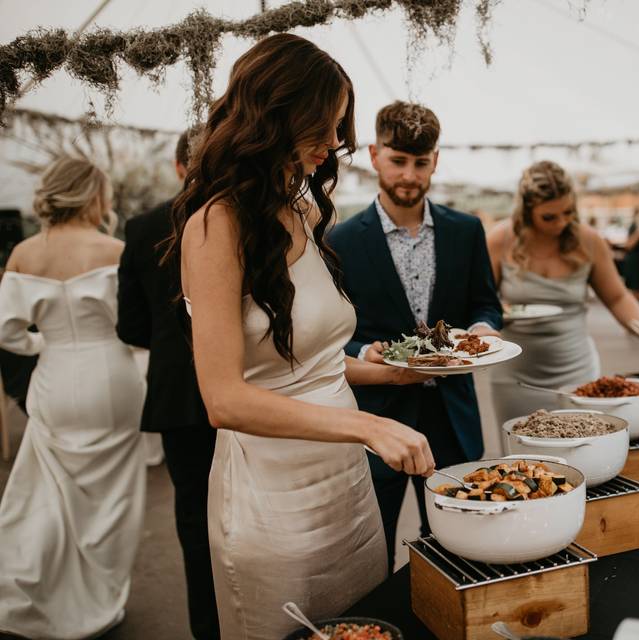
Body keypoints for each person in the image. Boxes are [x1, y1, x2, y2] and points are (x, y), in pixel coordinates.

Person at [168, 35, 435, 639]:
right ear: (274, 114)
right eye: (324, 122)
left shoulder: (304, 208)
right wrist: (369, 426)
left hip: (347, 486)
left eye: (340, 123)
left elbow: (314, 366)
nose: (336, 140)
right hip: (273, 502)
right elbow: (224, 399)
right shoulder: (215, 225)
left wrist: (387, 371)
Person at [327, 101, 502, 572]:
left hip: (453, 418)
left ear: (436, 161)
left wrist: (483, 332)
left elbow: (486, 303)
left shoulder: (466, 231)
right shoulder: (339, 241)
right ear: (374, 155)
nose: (409, 174)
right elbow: (330, 334)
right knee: (372, 551)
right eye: (398, 160)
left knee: (458, 551)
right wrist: (363, 350)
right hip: (377, 421)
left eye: (420, 163)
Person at [0, 156, 147, 638]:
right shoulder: (114, 249)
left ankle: (44, 595)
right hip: (113, 376)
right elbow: (135, 327)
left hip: (57, 377)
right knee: (112, 498)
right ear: (93, 196)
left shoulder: (24, 253)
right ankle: (98, 600)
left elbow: (8, 332)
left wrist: (46, 343)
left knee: (50, 492)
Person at [116, 128, 220, 639]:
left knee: (195, 522)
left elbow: (129, 326)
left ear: (179, 168)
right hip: (252, 392)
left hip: (178, 396)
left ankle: (208, 628)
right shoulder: (242, 221)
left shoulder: (141, 228)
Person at [486, 160, 639, 424]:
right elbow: (482, 302)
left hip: (576, 372)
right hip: (515, 378)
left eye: (568, 212)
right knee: (521, 461)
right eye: (549, 216)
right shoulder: (500, 239)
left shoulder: (588, 240)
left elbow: (617, 297)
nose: (561, 223)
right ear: (526, 210)